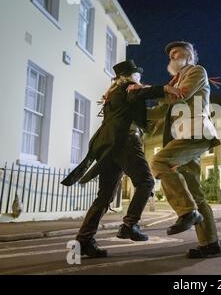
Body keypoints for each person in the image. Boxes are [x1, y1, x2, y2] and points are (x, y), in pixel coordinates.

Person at [61, 60, 184, 258]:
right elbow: (141, 92)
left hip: (109, 147)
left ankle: (84, 239)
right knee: (146, 181)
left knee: (105, 196)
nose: (140, 78)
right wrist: (166, 88)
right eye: (137, 74)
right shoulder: (128, 87)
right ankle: (130, 225)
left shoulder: (113, 93)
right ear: (130, 76)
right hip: (125, 141)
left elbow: (136, 101)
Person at [149, 41, 221, 258]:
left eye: (176, 52)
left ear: (189, 55)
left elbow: (181, 94)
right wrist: (126, 109)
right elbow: (160, 110)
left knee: (159, 162)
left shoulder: (196, 71)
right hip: (185, 137)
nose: (171, 56)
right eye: (170, 54)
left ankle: (187, 212)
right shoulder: (175, 81)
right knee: (195, 192)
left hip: (196, 133)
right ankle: (210, 243)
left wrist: (148, 90)